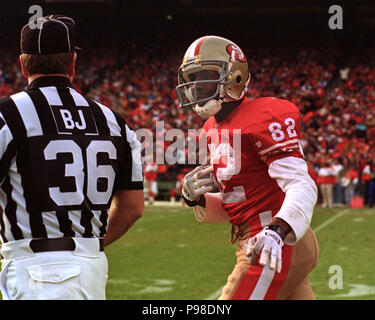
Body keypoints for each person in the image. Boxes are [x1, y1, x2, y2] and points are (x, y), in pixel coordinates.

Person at [0, 15, 144, 300]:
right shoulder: (113, 121)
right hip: (91, 266)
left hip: (34, 267)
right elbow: (132, 207)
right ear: (73, 63)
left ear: (22, 63)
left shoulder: (9, 115)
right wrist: (85, 245)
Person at [176, 35, 319, 300]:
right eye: (192, 79)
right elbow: (236, 204)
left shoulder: (263, 117)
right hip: (260, 239)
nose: (196, 87)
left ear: (235, 76)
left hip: (272, 241)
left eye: (205, 77)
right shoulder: (210, 129)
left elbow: (302, 184)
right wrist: (194, 198)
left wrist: (277, 231)